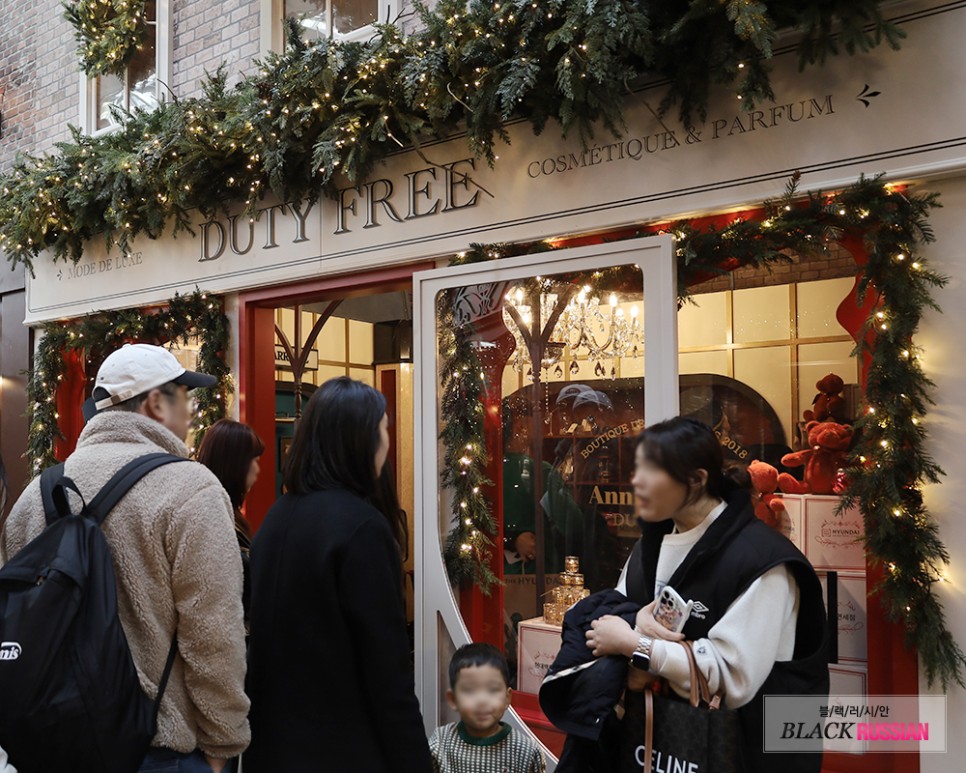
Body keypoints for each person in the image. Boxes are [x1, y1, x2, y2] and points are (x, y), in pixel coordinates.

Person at [0, 343, 249, 773]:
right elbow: (213, 635)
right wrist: (222, 745)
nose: (191, 412)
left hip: (49, 744)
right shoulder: (191, 489)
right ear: (155, 402)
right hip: (157, 751)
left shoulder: (36, 494)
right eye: (184, 396)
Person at [542, 416, 828, 772]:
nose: (636, 483)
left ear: (696, 480)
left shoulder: (764, 561)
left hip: (744, 753)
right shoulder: (649, 547)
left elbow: (732, 677)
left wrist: (637, 649)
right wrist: (633, 621)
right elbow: (608, 620)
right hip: (646, 746)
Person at [244, 376, 432, 772]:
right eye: (383, 428)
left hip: (273, 746)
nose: (387, 440)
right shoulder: (361, 528)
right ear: (360, 439)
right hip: (343, 748)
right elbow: (387, 674)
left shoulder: (278, 516)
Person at [429, 643, 545, 773]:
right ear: (453, 699)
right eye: (470, 690)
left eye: (492, 690)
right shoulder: (440, 743)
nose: (482, 700)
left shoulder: (525, 751)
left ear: (507, 698)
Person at [196, 418, 265, 631]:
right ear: (235, 464)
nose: (258, 470)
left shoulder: (221, 513)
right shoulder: (218, 523)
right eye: (254, 460)